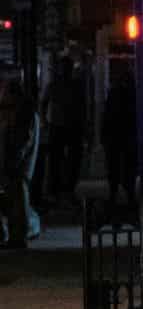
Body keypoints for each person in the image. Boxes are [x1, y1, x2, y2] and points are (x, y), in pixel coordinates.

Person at [39, 54, 87, 201]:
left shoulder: (74, 85)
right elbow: (43, 103)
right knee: (56, 159)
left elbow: (83, 106)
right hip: (59, 126)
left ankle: (66, 188)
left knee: (71, 159)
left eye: (67, 67)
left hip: (71, 126)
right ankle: (57, 189)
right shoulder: (55, 85)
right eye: (63, 67)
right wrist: (45, 121)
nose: (65, 70)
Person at [0, 80, 42, 247]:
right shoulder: (24, 112)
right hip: (17, 166)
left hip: (17, 167)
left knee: (18, 201)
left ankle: (18, 237)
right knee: (16, 201)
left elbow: (22, 141)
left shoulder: (24, 114)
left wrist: (13, 159)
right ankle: (16, 235)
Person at [101, 67, 138, 209]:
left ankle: (114, 194)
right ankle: (127, 194)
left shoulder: (114, 93)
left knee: (115, 166)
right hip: (126, 135)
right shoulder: (132, 94)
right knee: (128, 166)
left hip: (115, 135)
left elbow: (107, 115)